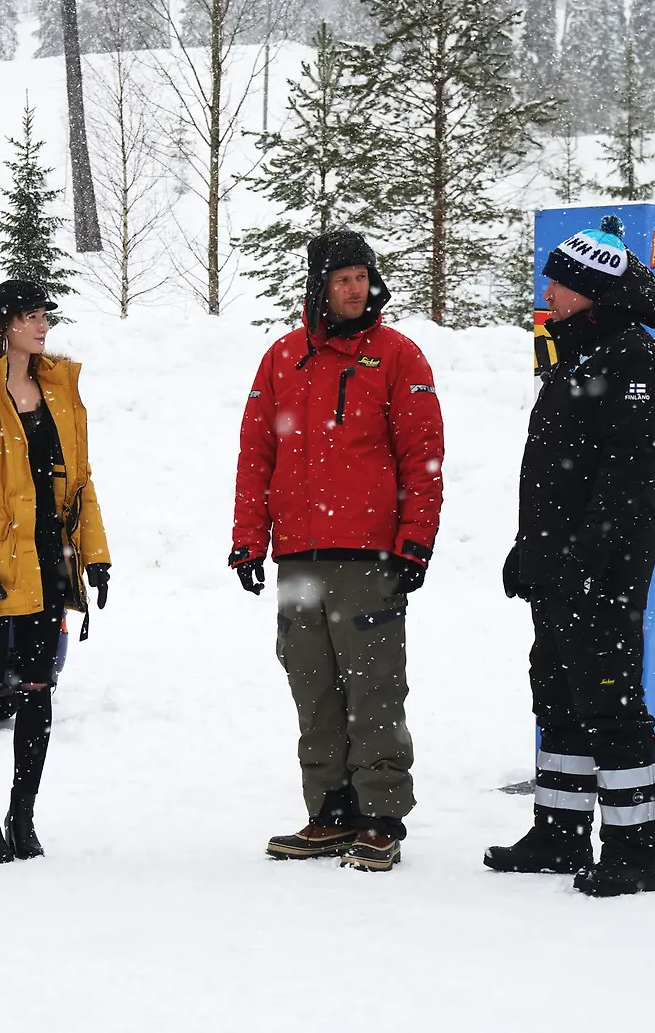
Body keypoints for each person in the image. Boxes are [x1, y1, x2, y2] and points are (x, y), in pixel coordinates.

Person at [231, 229, 445, 873]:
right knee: (312, 683)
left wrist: (415, 541)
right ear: (319, 287)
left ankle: (379, 817)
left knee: (374, 686)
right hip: (299, 555)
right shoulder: (282, 358)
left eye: (362, 277)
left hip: (368, 556)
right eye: (342, 279)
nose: (355, 289)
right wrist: (249, 539)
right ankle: (329, 811)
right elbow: (256, 454)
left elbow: (422, 456)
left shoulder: (398, 355)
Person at [485, 216, 655, 897]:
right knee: (559, 692)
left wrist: (584, 556)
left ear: (591, 291)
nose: (547, 293)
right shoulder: (576, 353)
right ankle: (560, 833)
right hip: (559, 561)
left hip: (604, 565)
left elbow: (625, 475)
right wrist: (531, 550)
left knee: (609, 699)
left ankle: (633, 851)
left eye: (558, 283)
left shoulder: (636, 359)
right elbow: (555, 474)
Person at [0, 279, 110, 862]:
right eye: (31, 316)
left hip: (50, 557)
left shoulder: (58, 389)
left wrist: (96, 555)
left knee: (37, 687)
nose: (42, 326)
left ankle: (23, 814)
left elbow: (80, 481)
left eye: (45, 316)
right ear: (2, 324)